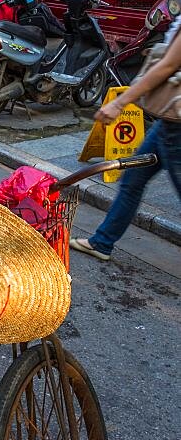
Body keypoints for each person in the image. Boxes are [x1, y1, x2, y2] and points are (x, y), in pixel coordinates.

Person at [70, 20, 181, 261]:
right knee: (132, 180)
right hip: (168, 120)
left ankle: (102, 241)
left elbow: (167, 66)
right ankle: (102, 242)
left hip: (176, 125)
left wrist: (120, 102)